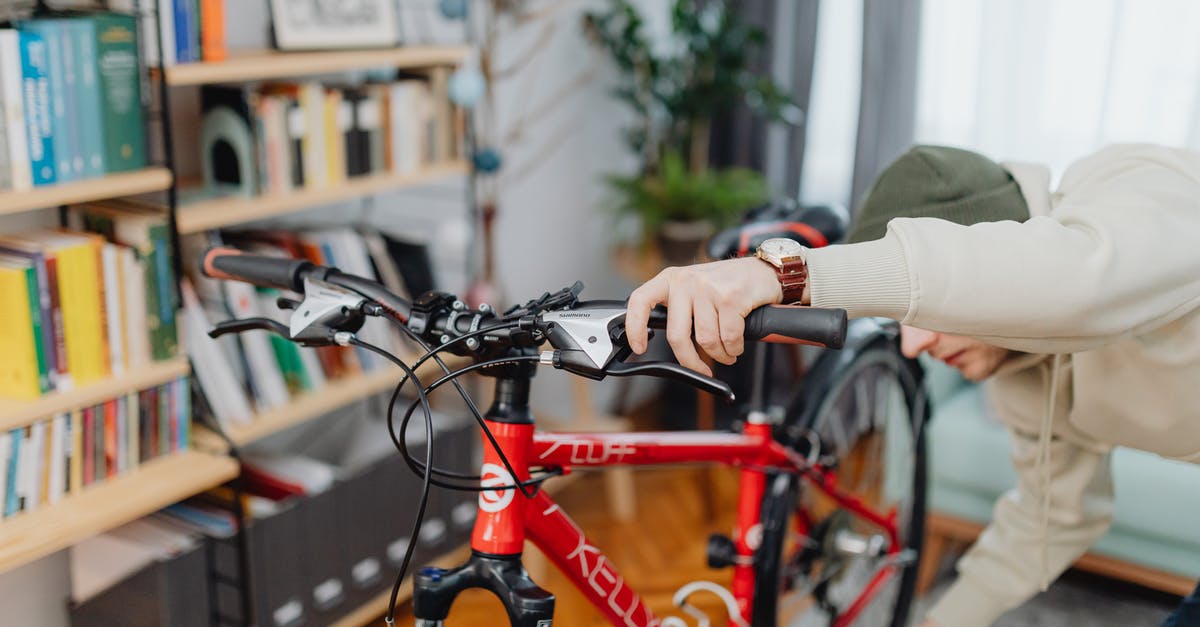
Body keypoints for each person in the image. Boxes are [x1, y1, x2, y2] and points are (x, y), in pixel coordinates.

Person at [624, 144, 1200, 627]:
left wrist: (787, 275)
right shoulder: (1021, 373)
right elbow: (1056, 518)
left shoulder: (1144, 189)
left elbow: (1077, 287)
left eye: (923, 317)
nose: (912, 346)